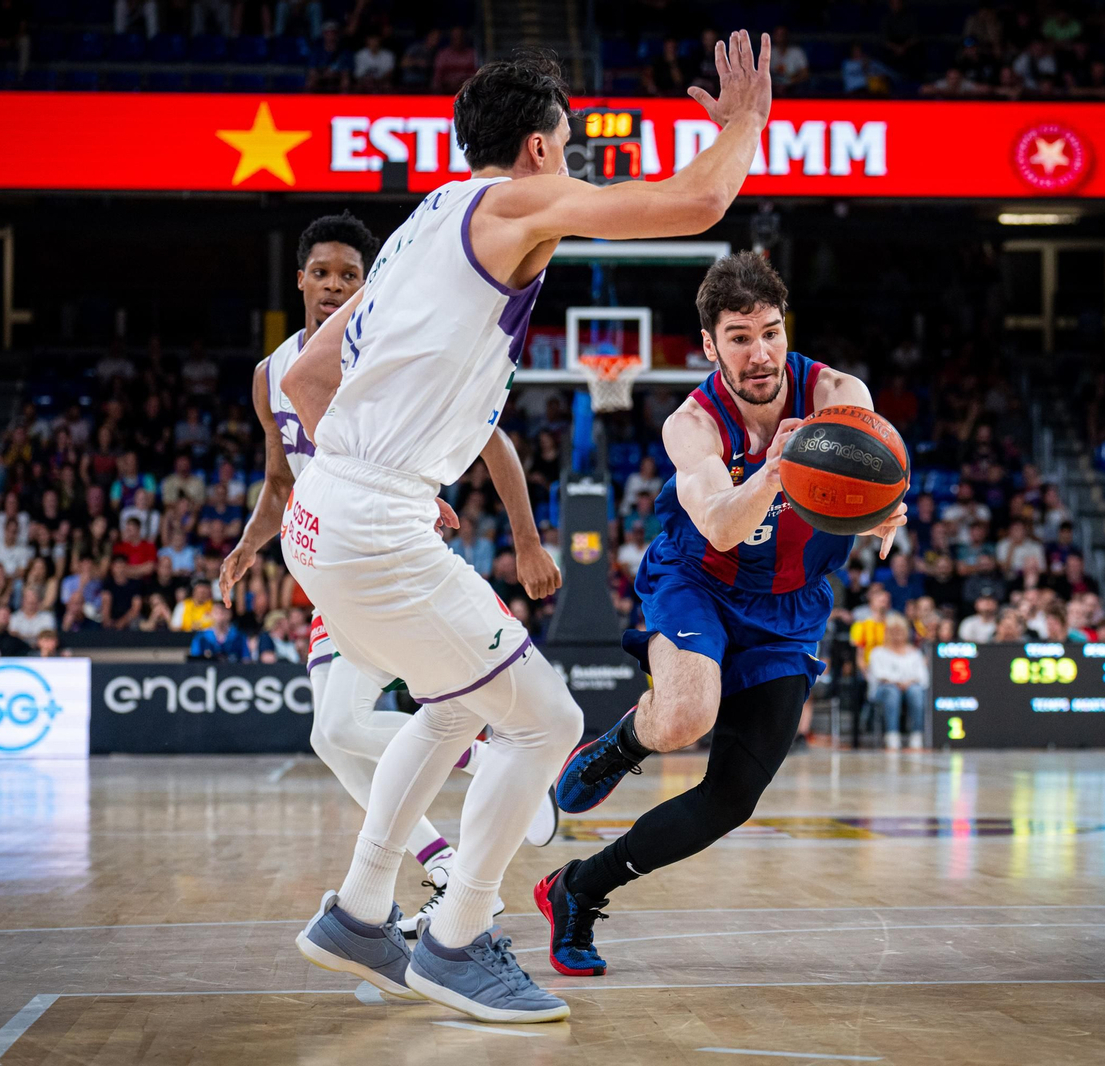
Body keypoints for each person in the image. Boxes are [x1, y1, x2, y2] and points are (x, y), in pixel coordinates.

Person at [275, 38, 794, 1023]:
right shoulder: (509, 203)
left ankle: (358, 911)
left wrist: (387, 450)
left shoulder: (424, 219)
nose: (572, 166)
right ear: (536, 150)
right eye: (566, 147)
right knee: (545, 721)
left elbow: (304, 381)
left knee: (452, 706)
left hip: (324, 516)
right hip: (372, 523)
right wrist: (741, 127)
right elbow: (694, 207)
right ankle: (459, 937)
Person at [540, 250, 906, 979]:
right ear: (710, 346)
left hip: (790, 605)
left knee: (733, 799)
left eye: (770, 331)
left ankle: (576, 889)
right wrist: (778, 465)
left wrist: (882, 512)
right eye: (739, 337)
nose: (761, 351)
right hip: (698, 579)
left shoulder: (838, 393)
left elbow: (882, 487)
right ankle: (618, 747)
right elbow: (722, 528)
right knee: (683, 717)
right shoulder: (693, 424)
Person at [217, 210, 564, 939]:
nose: (334, 286)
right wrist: (250, 543)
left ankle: (482, 791)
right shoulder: (270, 374)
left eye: (350, 275)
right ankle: (446, 862)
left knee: (363, 724)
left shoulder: (388, 348)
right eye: (322, 274)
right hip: (325, 560)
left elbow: (493, 442)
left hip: (384, 552)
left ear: (368, 284)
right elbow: (281, 480)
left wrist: (527, 543)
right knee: (335, 734)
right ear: (302, 280)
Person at [867, 613, 928, 749]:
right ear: (887, 632)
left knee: (916, 691)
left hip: (910, 687)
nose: (896, 634)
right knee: (892, 691)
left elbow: (923, 677)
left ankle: (917, 735)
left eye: (900, 631)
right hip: (884, 690)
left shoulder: (915, 653)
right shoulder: (878, 652)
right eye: (893, 631)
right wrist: (898, 682)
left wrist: (908, 683)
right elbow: (879, 675)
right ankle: (892, 735)